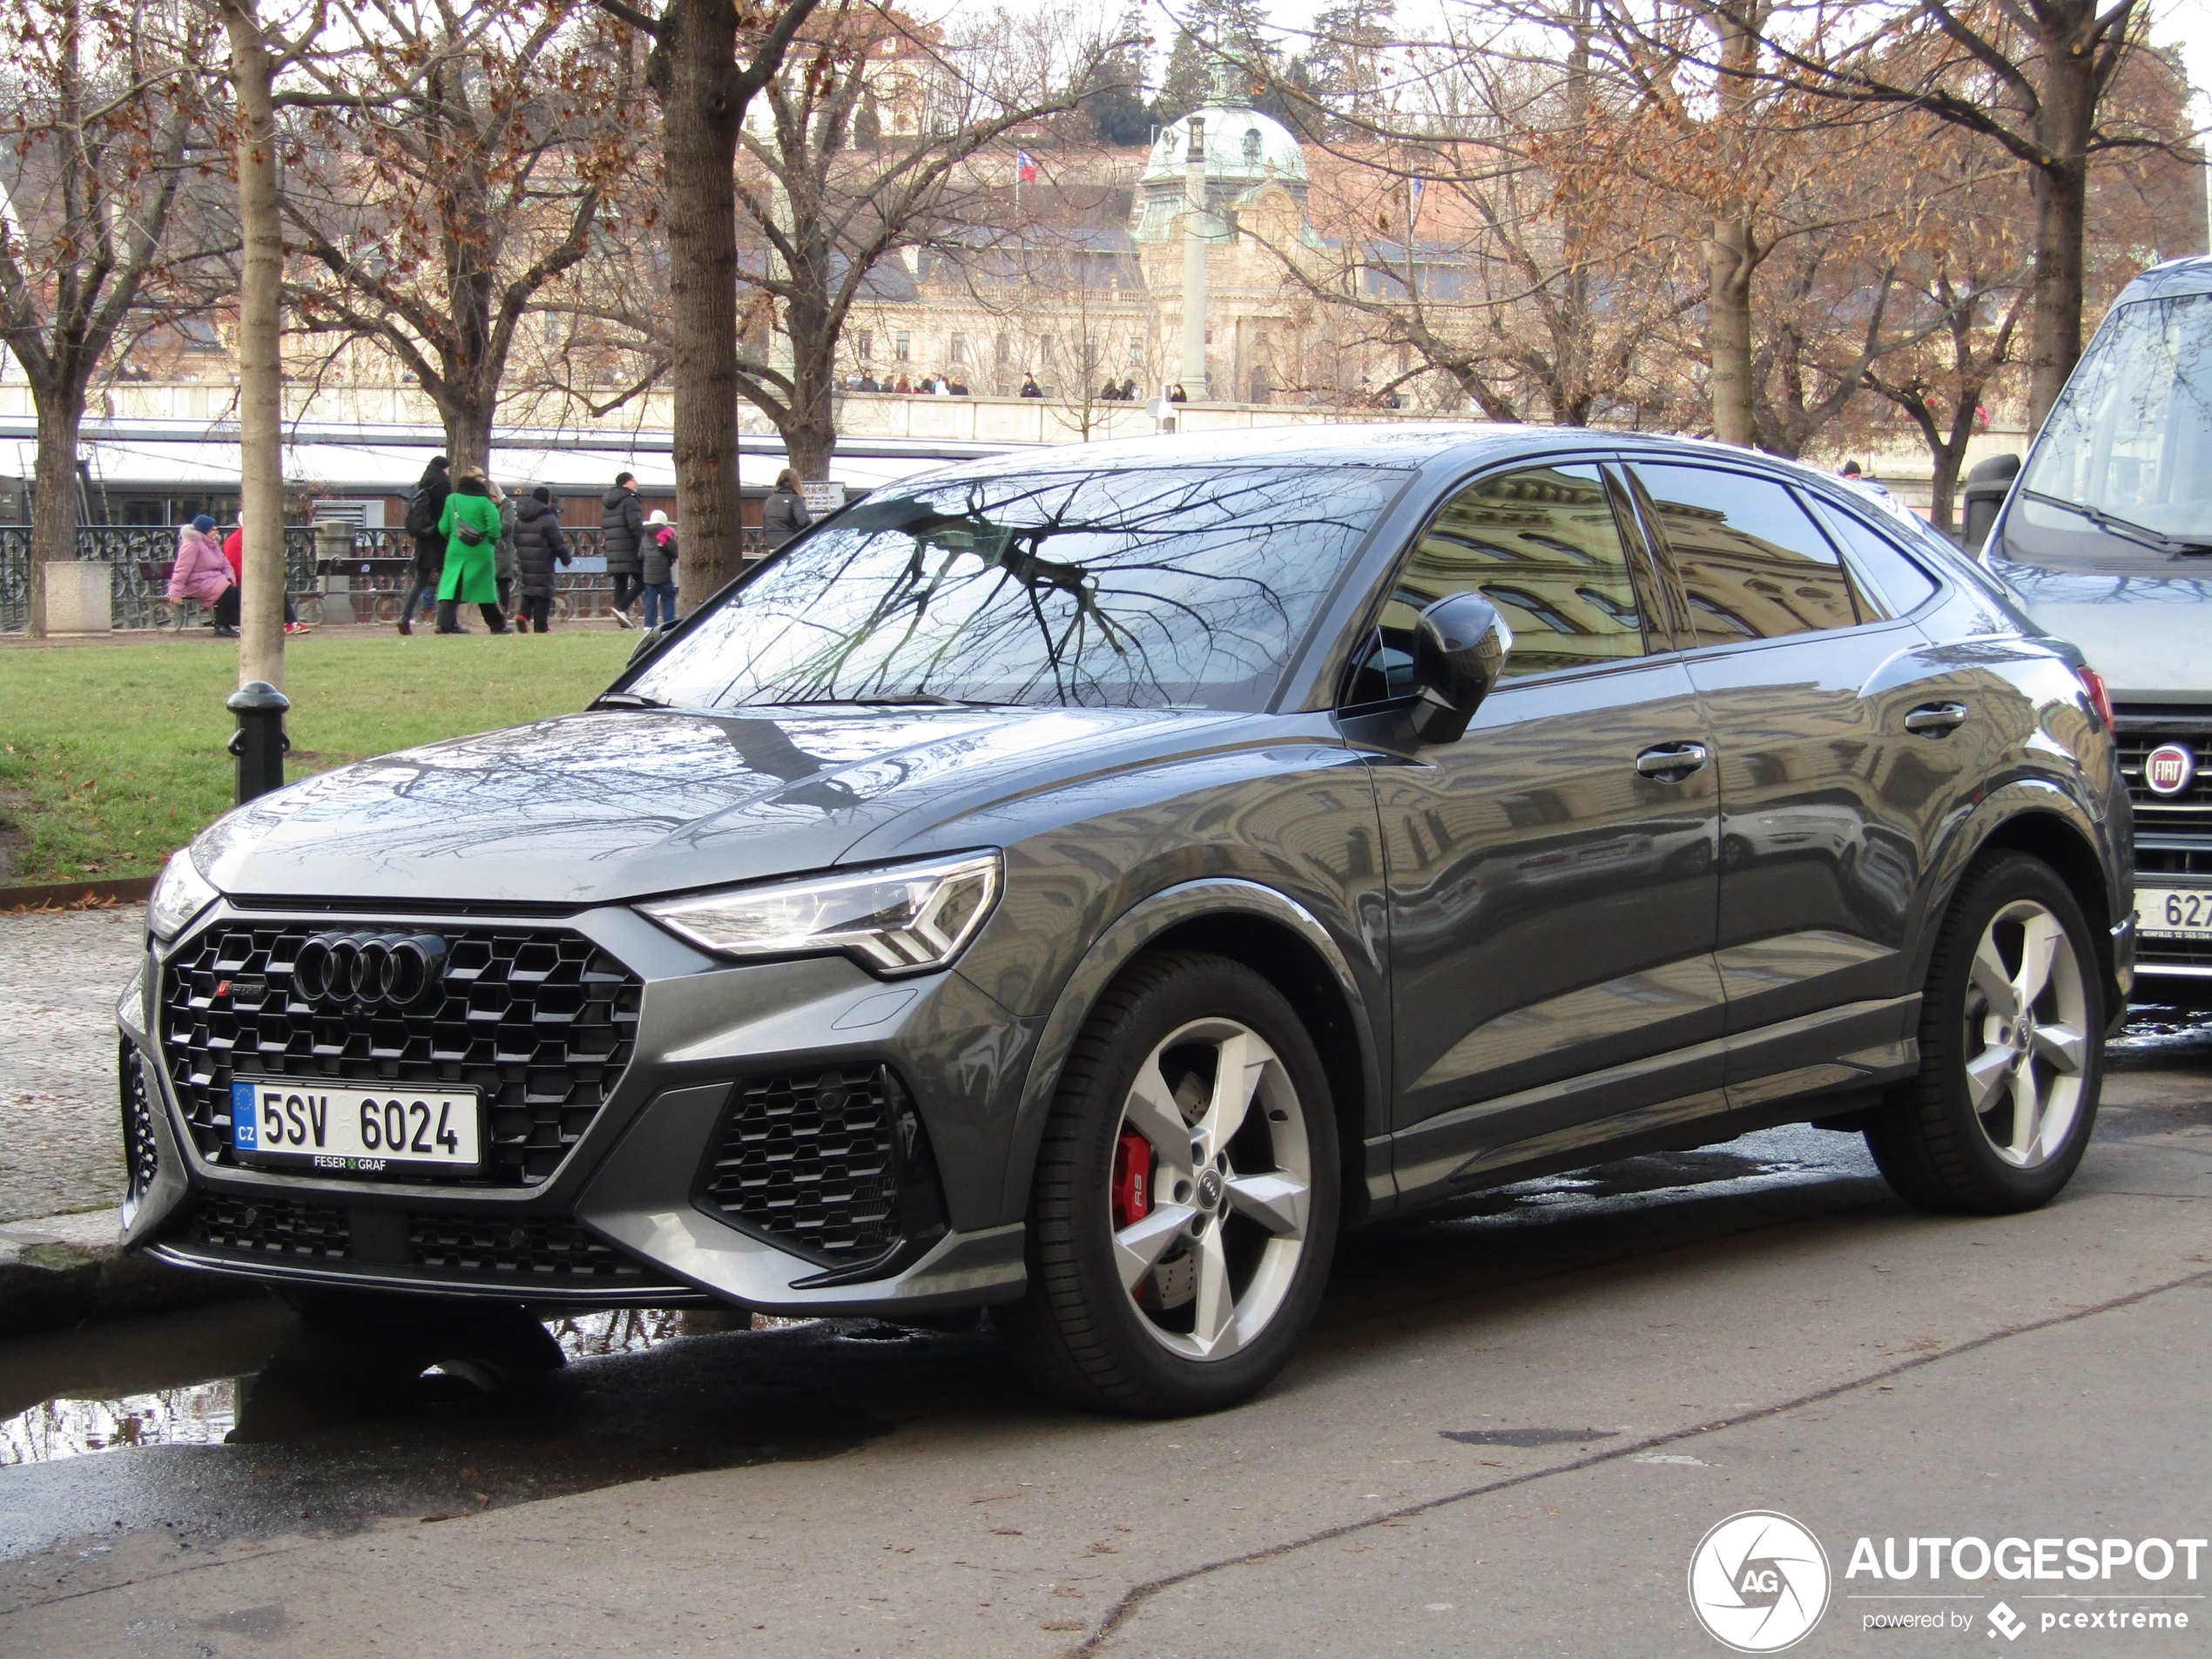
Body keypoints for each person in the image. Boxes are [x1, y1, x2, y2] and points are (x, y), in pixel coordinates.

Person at [434, 471, 509, 633]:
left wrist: (454, 538)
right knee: (485, 590)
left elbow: (443, 527)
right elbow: (495, 527)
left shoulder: (451, 499)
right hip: (481, 551)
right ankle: (497, 625)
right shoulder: (485, 502)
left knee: (452, 586)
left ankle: (444, 623)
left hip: (455, 549)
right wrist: (491, 541)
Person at [223, 513, 307, 633]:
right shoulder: (234, 540)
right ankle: (288, 622)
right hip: (243, 581)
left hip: (256, 578)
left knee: (277, 587)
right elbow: (236, 565)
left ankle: (291, 622)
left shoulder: (257, 538)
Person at [397, 454, 450, 635]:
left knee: (420, 581)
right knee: (447, 580)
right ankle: (444, 621)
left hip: (424, 539)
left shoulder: (423, 482)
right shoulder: (442, 484)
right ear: (444, 468)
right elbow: (446, 512)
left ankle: (405, 616)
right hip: (439, 538)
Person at [510, 485, 571, 633]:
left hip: (525, 559)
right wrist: (566, 559)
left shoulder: (521, 517)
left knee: (529, 590)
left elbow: (515, 538)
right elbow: (557, 542)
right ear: (546, 499)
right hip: (543, 559)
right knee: (543, 593)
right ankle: (541, 627)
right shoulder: (548, 517)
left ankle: (523, 616)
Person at [168, 514, 236, 637]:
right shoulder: (192, 545)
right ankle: (221, 625)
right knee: (228, 592)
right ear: (204, 530)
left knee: (234, 591)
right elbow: (182, 569)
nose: (216, 532)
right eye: (213, 529)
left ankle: (225, 624)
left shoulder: (213, 544)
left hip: (214, 580)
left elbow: (226, 564)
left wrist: (230, 578)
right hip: (196, 583)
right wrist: (175, 591)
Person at [601, 470, 647, 629]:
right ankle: (621, 607)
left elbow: (605, 526)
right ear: (627, 482)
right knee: (644, 579)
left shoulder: (609, 503)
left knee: (621, 581)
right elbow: (635, 525)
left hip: (614, 548)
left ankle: (622, 619)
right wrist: (645, 543)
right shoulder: (630, 500)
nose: (637, 484)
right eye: (635, 481)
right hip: (629, 548)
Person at [640, 509, 679, 629]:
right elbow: (676, 552)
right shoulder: (666, 535)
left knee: (651, 600)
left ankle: (649, 624)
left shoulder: (645, 538)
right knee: (668, 597)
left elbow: (640, 555)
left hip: (648, 575)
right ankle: (669, 624)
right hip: (663, 574)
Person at [491, 481, 521, 624]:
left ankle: (503, 611)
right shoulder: (488, 504)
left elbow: (507, 527)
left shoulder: (506, 505)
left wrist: (491, 528)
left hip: (503, 549)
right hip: (491, 549)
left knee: (502, 581)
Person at [763, 468, 812, 551]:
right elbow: (804, 521)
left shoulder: (770, 500)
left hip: (772, 546)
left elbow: (765, 524)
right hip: (791, 545)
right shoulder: (795, 499)